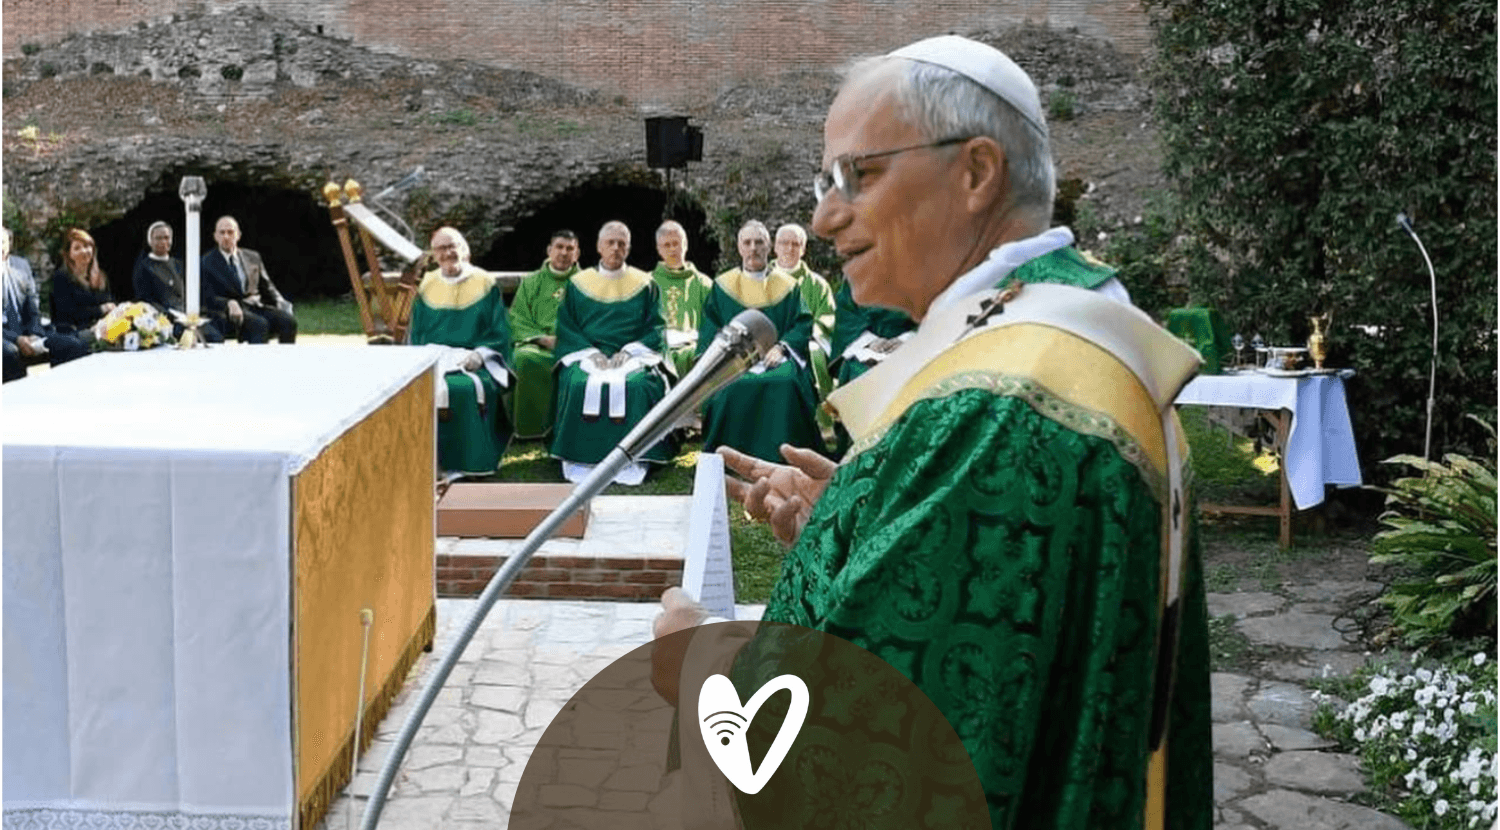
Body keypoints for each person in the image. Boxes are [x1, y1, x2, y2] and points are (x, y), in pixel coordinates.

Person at [654, 35, 1211, 830]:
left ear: (976, 172)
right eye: (824, 181)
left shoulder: (999, 408)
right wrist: (854, 521)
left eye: (859, 175)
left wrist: (700, 662)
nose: (822, 217)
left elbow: (884, 750)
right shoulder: (1055, 337)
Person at [549, 221, 674, 486]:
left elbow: (656, 327)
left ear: (629, 248)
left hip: (633, 356)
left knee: (638, 386)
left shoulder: (645, 284)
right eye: (610, 242)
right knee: (578, 383)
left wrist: (629, 352)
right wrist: (588, 352)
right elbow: (567, 327)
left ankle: (636, 459)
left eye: (622, 243)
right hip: (587, 354)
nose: (615, 248)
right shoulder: (578, 284)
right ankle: (579, 459)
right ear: (598, 246)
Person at [696, 220, 825, 462]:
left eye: (759, 242)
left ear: (769, 248)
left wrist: (782, 347)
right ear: (739, 247)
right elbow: (710, 328)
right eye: (747, 242)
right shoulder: (722, 286)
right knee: (728, 386)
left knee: (785, 383)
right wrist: (727, 354)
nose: (753, 248)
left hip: (776, 357)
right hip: (732, 361)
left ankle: (785, 458)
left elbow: (802, 323)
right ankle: (729, 458)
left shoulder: (787, 286)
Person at [408, 227, 515, 476]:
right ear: (434, 255)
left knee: (465, 389)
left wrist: (481, 354)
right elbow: (419, 333)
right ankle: (428, 463)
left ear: (464, 249)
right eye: (441, 249)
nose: (447, 253)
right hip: (435, 357)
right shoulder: (426, 285)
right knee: (422, 389)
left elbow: (500, 330)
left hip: (474, 358)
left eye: (452, 246)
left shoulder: (485, 282)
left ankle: (471, 462)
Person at [508, 230, 580, 439]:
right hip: (537, 343)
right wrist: (541, 338)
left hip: (573, 345)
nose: (564, 253)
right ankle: (531, 430)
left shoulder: (587, 283)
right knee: (524, 358)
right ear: (549, 250)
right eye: (559, 247)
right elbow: (517, 318)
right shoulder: (531, 282)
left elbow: (594, 319)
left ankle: (570, 429)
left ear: (577, 254)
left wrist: (568, 340)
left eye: (570, 248)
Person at [3, 226, 88, 381]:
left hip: (27, 332)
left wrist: (34, 333)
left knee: (72, 345)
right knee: (9, 354)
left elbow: (33, 308)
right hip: (5, 337)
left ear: (9, 243)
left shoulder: (20, 265)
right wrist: (16, 339)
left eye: (3, 242)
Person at [200, 216, 297, 344]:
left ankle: (284, 361)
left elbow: (267, 287)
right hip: (229, 311)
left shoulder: (252, 257)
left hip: (256, 306)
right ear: (215, 236)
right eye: (222, 232)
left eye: (230, 232)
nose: (226, 236)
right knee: (259, 325)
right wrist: (229, 303)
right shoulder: (207, 262)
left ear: (238, 235)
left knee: (289, 321)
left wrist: (280, 302)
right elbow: (207, 296)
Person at [771, 223, 836, 399]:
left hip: (805, 347)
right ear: (775, 247)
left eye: (796, 244)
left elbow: (827, 318)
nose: (789, 248)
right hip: (769, 346)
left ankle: (822, 412)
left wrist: (803, 337)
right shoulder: (760, 279)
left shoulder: (818, 285)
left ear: (803, 249)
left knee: (815, 353)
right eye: (784, 243)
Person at [131, 221, 224, 344]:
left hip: (189, 315)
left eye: (167, 238)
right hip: (167, 319)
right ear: (150, 241)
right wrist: (169, 315)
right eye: (158, 238)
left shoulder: (178, 264)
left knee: (217, 335)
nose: (163, 242)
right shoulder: (144, 267)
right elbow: (145, 300)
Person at [648, 220, 714, 380]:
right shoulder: (647, 284)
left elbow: (715, 324)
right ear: (658, 249)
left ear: (685, 244)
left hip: (695, 354)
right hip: (656, 353)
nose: (672, 249)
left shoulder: (704, 284)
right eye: (666, 245)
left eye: (676, 243)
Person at [827, 278, 914, 386]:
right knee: (861, 376)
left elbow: (933, 315)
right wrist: (869, 342)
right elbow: (847, 318)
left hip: (912, 348)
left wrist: (906, 340)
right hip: (865, 350)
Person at [50, 227, 115, 333]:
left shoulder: (101, 276)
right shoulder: (61, 277)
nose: (84, 251)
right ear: (69, 254)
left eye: (86, 246)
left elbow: (109, 301)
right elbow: (66, 314)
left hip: (103, 329)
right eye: (77, 248)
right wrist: (100, 310)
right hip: (73, 333)